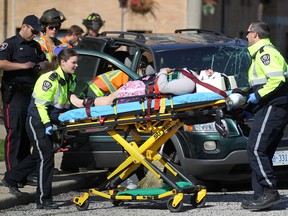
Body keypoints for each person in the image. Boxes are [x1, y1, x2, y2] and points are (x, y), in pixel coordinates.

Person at [1, 48, 86, 209]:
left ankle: (11, 178)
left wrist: (84, 107)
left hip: (51, 122)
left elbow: (68, 100)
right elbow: (40, 105)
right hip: (37, 120)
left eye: (76, 63)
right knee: (46, 157)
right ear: (63, 62)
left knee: (38, 156)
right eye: (73, 62)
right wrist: (47, 124)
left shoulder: (70, 79)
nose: (76, 66)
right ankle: (43, 199)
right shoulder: (49, 79)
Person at [241, 21, 288, 210]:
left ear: (255, 35)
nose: (245, 36)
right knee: (262, 151)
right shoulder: (260, 54)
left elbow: (277, 80)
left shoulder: (265, 53)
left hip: (273, 107)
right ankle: (260, 195)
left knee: (256, 149)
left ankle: (269, 191)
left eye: (248, 32)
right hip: (270, 106)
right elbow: (262, 82)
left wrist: (256, 97)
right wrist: (249, 100)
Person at [0, 15, 48, 176]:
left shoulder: (35, 46)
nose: (35, 34)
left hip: (30, 94)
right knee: (15, 133)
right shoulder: (11, 43)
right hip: (14, 95)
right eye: (33, 31)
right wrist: (22, 66)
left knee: (28, 134)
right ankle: (12, 174)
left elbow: (46, 61)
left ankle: (23, 173)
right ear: (25, 26)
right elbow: (1, 63)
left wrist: (40, 65)